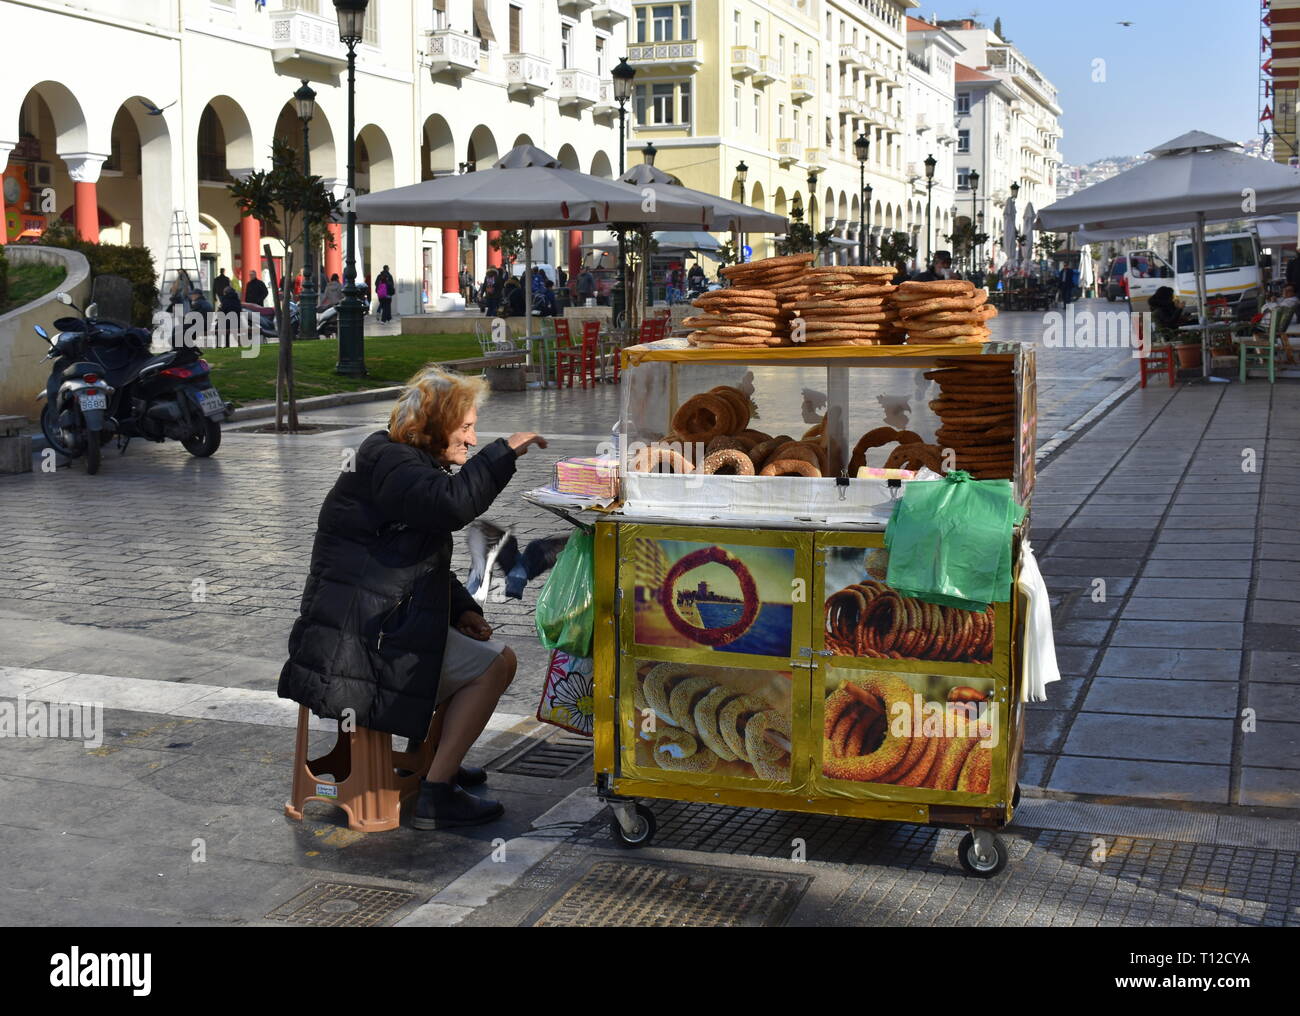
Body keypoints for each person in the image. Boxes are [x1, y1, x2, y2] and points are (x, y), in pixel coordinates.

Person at [278, 366, 548, 828]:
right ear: (432, 428)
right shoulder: (392, 464)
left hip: (366, 632)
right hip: (357, 649)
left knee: (473, 651)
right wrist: (504, 452)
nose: (471, 438)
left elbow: (416, 557)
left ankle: (437, 759)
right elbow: (451, 505)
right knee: (496, 664)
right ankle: (436, 791)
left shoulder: (397, 460)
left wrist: (461, 608)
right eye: (464, 428)